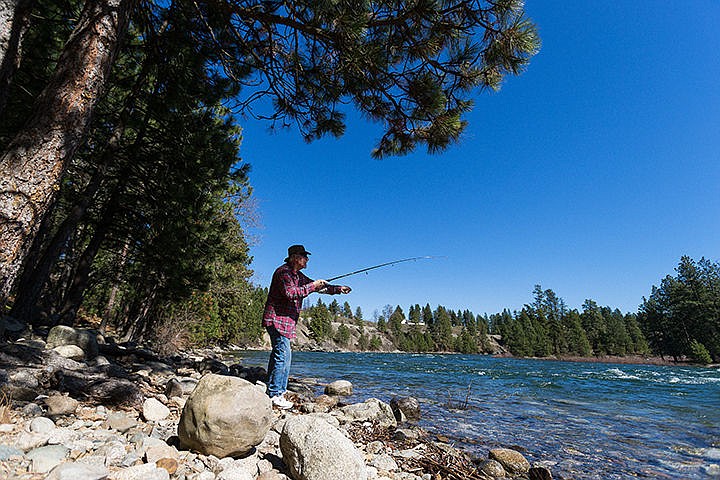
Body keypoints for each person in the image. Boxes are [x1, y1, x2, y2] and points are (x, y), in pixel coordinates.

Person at [262, 244, 351, 409]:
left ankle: (273, 389)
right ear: (295, 257)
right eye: (304, 256)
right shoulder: (283, 273)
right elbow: (291, 293)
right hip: (277, 320)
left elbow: (318, 288)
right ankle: (275, 394)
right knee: (283, 357)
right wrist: (313, 285)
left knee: (280, 355)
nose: (307, 259)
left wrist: (339, 289)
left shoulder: (298, 275)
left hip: (286, 323)